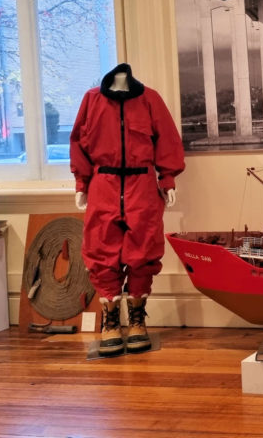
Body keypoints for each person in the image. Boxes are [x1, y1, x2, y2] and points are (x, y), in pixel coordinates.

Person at [70, 63, 185, 356]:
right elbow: (78, 143)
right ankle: (110, 322)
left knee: (143, 249)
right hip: (103, 183)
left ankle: (137, 320)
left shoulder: (150, 99)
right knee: (100, 249)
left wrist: (167, 178)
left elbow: (167, 140)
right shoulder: (92, 99)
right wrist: (81, 183)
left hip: (142, 183)